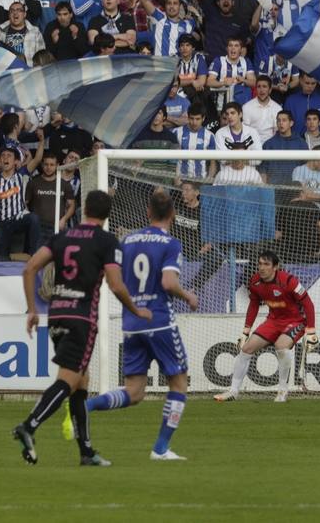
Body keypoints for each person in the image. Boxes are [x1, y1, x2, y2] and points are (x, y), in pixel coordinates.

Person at [12, 190, 151, 467]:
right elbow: (115, 283)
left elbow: (29, 269)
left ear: (84, 209)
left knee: (81, 383)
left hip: (57, 315)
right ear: (108, 214)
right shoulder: (107, 241)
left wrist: (31, 309)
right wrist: (135, 309)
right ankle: (29, 425)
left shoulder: (62, 236)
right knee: (70, 380)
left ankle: (86, 451)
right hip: (82, 319)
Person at [83, 190, 199, 460]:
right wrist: (188, 295)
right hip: (159, 320)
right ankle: (160, 448)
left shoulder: (127, 240)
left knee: (134, 392)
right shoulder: (170, 243)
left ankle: (85, 406)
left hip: (132, 321)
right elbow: (168, 283)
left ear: (148, 212)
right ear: (172, 214)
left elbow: (115, 278)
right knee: (179, 383)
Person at [214, 250, 317, 403]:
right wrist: (245, 331)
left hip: (295, 321)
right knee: (246, 349)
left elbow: (307, 303)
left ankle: (282, 392)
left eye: (266, 264)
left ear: (276, 267)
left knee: (281, 346)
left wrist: (311, 331)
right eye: (260, 264)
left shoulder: (289, 281)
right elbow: (254, 304)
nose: (262, 268)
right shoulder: (255, 281)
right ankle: (233, 391)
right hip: (273, 321)